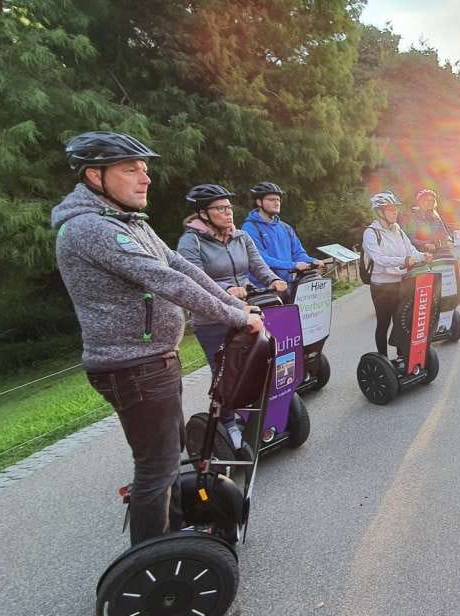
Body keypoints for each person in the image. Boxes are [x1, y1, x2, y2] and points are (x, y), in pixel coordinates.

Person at [51, 132, 264, 545]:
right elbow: (164, 281)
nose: (144, 178)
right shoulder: (92, 229)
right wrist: (233, 314)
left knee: (165, 462)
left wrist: (236, 310)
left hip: (152, 359)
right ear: (95, 175)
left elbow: (182, 267)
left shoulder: (128, 223)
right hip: (132, 365)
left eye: (145, 169)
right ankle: (156, 560)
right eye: (131, 169)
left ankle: (172, 535)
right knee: (156, 468)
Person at [177, 183, 285, 451]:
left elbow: (258, 264)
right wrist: (226, 289)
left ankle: (256, 414)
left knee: (257, 365)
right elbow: (194, 279)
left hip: (247, 312)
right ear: (203, 212)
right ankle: (229, 424)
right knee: (225, 374)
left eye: (229, 207)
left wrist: (272, 279)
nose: (228, 212)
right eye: (221, 208)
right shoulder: (190, 241)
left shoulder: (240, 236)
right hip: (213, 319)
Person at [362, 192, 429, 356]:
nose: (394, 212)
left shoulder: (397, 230)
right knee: (383, 324)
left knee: (401, 321)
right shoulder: (371, 233)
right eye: (390, 209)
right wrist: (404, 261)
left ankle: (402, 357)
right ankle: (383, 360)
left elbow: (410, 250)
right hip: (382, 287)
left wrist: (422, 256)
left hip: (401, 282)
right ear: (379, 212)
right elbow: (380, 259)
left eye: (395, 209)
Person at [240, 181, 323, 286]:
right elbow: (260, 259)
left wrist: (312, 260)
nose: (277, 203)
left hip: (289, 284)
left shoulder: (285, 227)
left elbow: (298, 253)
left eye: (278, 200)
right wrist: (293, 265)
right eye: (271, 199)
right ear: (259, 202)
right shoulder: (249, 228)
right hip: (266, 288)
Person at [406, 188, 453, 255]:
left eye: (432, 201)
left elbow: (445, 234)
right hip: (419, 253)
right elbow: (410, 239)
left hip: (437, 251)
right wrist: (425, 244)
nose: (430, 202)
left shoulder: (436, 218)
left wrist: (449, 241)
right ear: (420, 202)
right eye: (426, 200)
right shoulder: (413, 219)